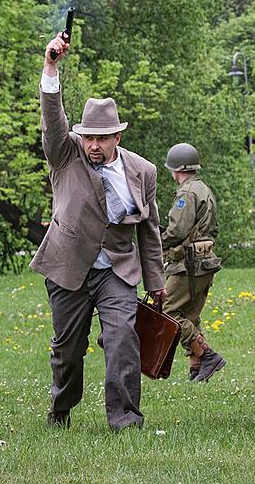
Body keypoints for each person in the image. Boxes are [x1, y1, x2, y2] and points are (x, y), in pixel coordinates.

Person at [31, 34, 166, 430]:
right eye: (88, 136)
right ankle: (61, 409)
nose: (92, 145)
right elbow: (53, 123)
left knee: (123, 341)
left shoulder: (143, 172)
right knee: (68, 352)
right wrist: (51, 67)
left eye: (101, 138)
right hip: (69, 266)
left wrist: (156, 281)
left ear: (116, 138)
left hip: (116, 271)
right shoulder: (65, 153)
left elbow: (150, 231)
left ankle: (125, 420)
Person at [161, 143, 225, 382]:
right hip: (204, 262)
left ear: (175, 169)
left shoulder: (187, 193)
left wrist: (159, 240)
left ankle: (207, 355)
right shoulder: (204, 189)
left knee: (167, 311)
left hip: (188, 264)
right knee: (190, 314)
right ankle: (197, 366)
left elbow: (177, 230)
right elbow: (213, 229)